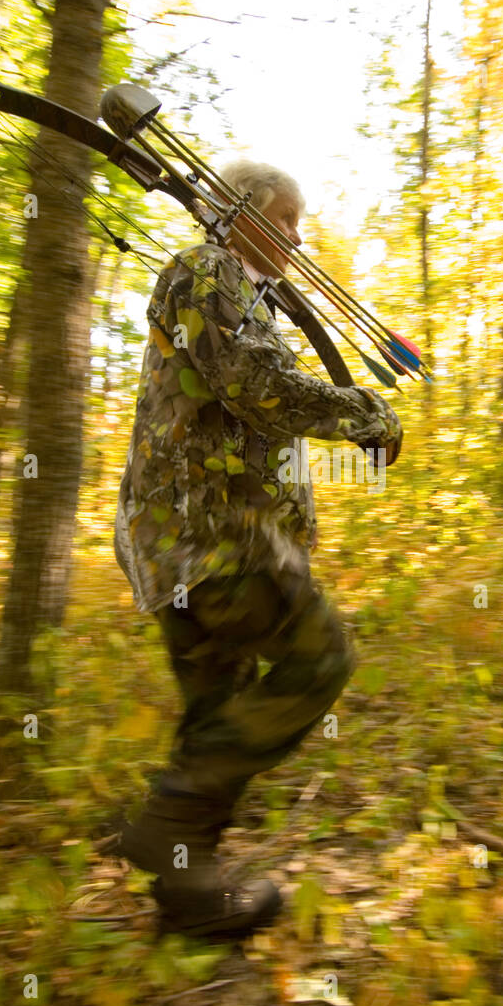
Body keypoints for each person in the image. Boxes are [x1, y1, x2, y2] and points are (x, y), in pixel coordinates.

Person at [112, 159, 403, 938]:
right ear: (237, 212)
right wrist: (365, 413)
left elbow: (246, 394)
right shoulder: (205, 269)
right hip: (215, 545)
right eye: (284, 223)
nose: (296, 241)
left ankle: (188, 898)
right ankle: (172, 816)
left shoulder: (229, 290)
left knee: (213, 712)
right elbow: (255, 381)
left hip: (189, 548)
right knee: (321, 658)